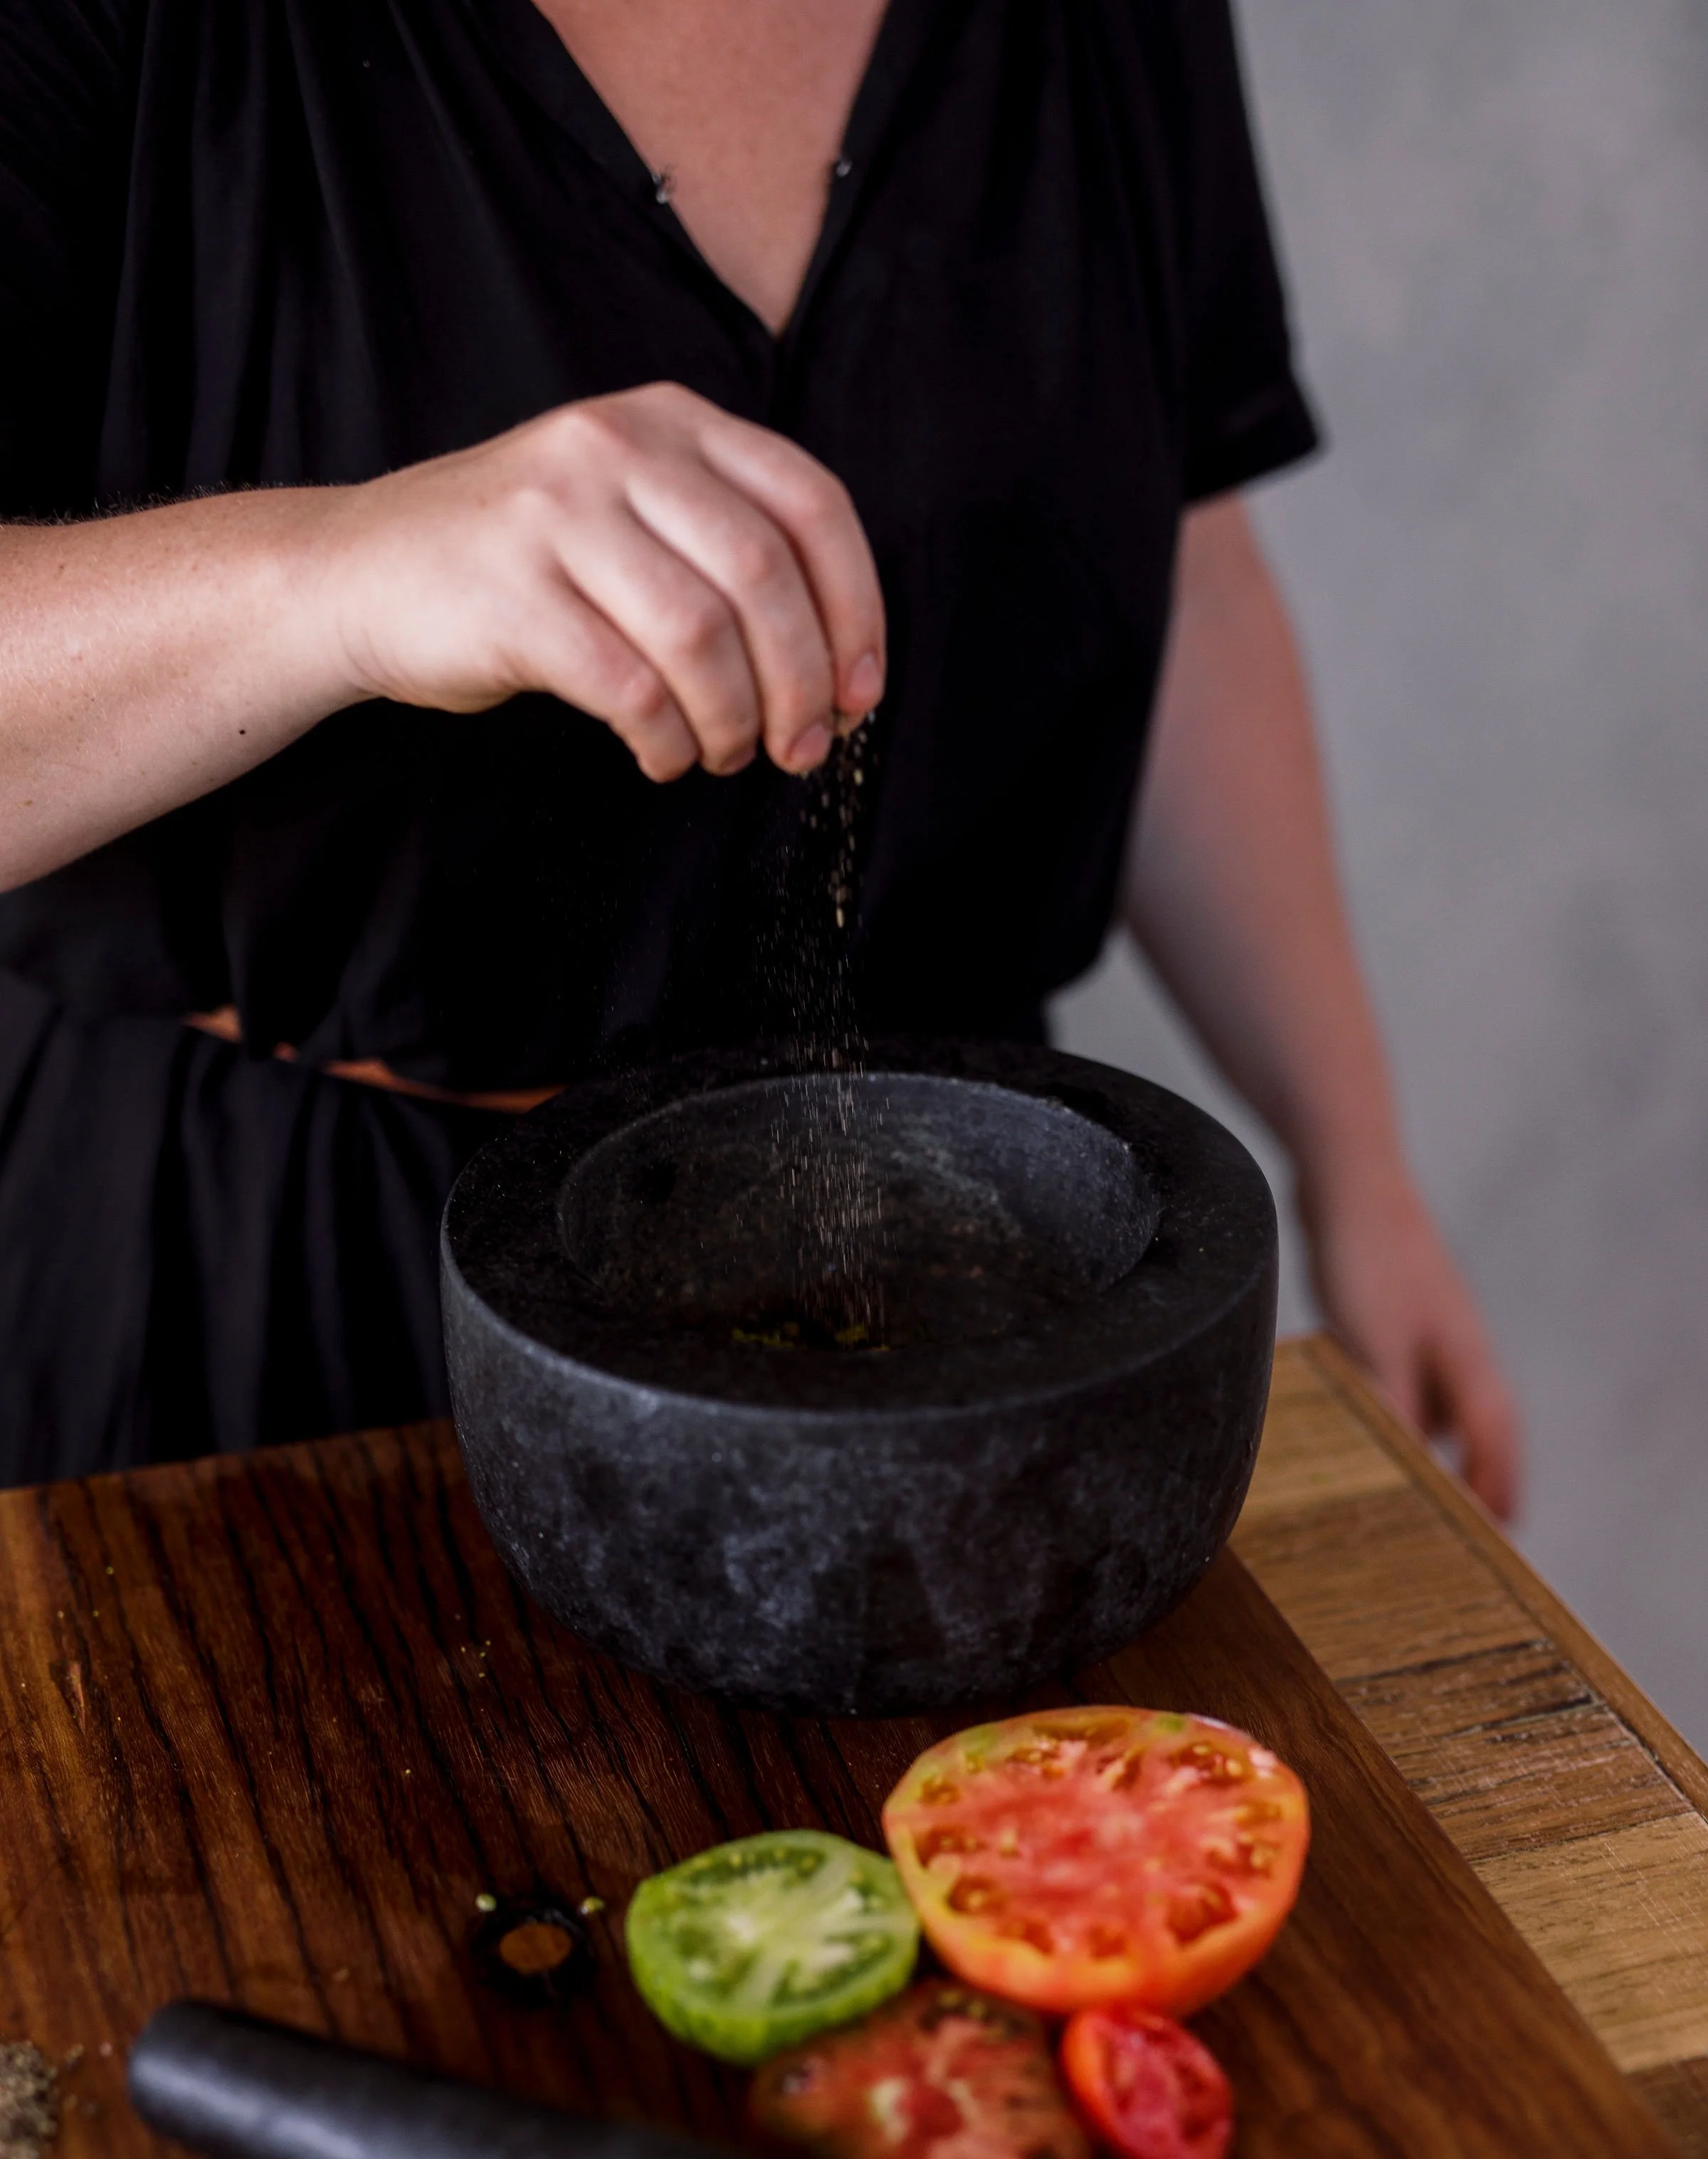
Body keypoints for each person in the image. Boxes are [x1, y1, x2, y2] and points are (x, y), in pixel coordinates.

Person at [0, 0, 1519, 1514]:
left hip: (956, 1272)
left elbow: (1177, 569)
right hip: (249, 1309)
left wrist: (1357, 1169)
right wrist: (338, 574)